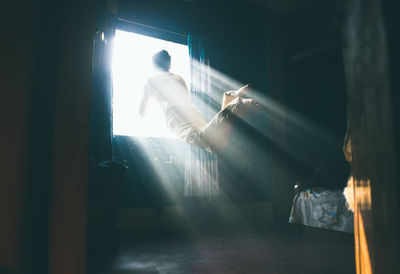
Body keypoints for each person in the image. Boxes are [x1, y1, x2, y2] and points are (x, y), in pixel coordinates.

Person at [139, 50, 260, 153]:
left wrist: (143, 131)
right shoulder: (178, 78)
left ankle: (237, 104)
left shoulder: (151, 79)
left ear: (154, 64)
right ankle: (230, 97)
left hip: (175, 114)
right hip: (191, 111)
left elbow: (142, 108)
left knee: (206, 140)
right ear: (168, 62)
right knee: (215, 143)